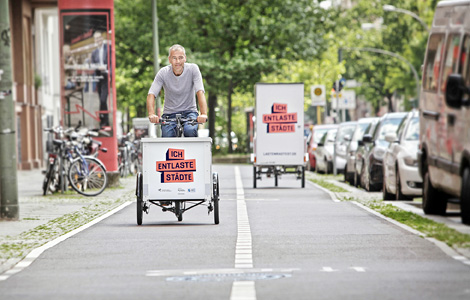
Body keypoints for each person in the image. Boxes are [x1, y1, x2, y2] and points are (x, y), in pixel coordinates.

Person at [147, 44, 207, 137]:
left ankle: (192, 152)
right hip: (169, 114)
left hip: (189, 112)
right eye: (174, 58)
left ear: (185, 58)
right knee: (167, 136)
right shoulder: (163, 73)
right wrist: (151, 114)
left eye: (180, 58)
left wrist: (203, 114)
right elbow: (151, 94)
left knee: (190, 131)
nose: (177, 61)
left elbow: (200, 92)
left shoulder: (193, 69)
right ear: (169, 59)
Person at [91, 31, 111, 128]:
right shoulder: (94, 52)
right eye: (96, 38)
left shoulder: (108, 48)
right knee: (101, 100)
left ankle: (104, 120)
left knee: (103, 99)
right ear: (95, 40)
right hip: (99, 77)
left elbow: (111, 61)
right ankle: (104, 121)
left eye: (99, 38)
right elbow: (92, 65)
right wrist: (97, 67)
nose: (98, 40)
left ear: (102, 38)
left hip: (106, 76)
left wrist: (109, 72)